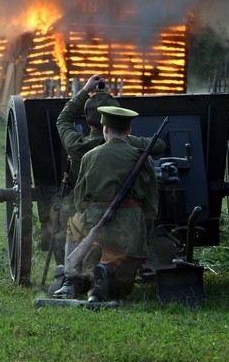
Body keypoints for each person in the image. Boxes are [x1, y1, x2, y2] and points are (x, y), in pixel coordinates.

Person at [44, 74, 164, 294]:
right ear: (126, 128)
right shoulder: (137, 148)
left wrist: (84, 91)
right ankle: (95, 273)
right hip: (131, 217)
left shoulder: (80, 146)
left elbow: (63, 120)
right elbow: (158, 148)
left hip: (93, 210)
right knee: (120, 286)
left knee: (67, 216)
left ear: (95, 123)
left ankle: (69, 274)